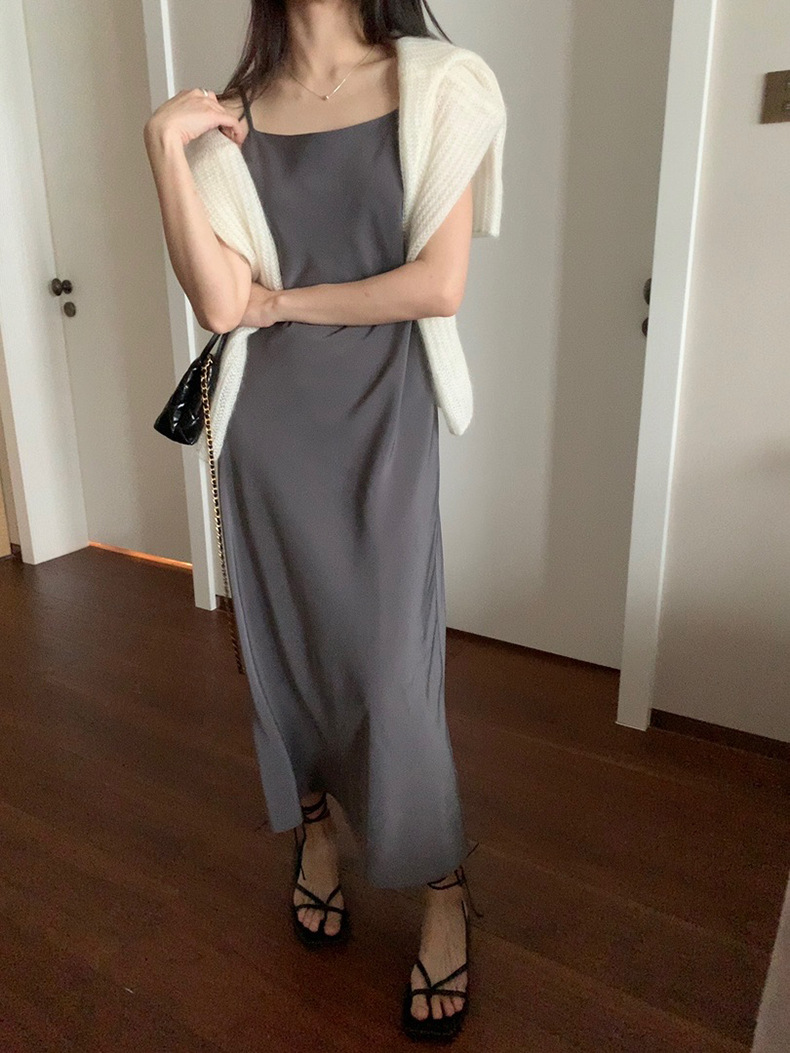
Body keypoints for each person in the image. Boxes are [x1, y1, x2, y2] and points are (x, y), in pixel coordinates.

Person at [144, 0, 502, 1040]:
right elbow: (222, 305)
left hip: (386, 417)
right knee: (285, 650)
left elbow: (437, 285)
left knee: (391, 671)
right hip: (267, 429)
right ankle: (313, 834)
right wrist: (163, 146)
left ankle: (443, 888)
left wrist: (287, 302)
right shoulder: (233, 118)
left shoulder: (439, 84)